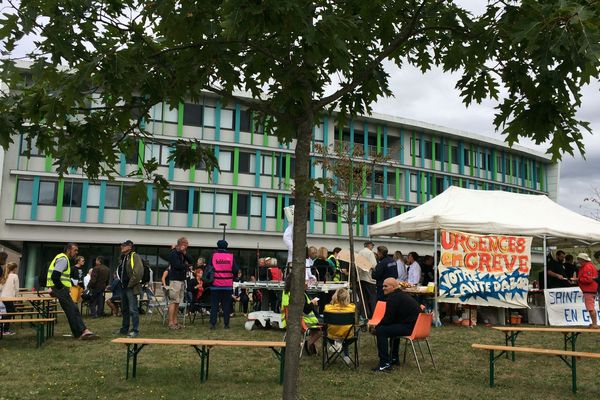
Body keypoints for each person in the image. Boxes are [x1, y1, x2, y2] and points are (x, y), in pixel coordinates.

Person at [46, 243, 98, 339]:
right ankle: (83, 331)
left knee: (71, 309)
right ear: (69, 250)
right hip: (60, 288)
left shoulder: (62, 258)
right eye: (75, 250)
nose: (76, 252)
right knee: (73, 309)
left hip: (58, 288)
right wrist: (60, 287)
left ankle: (78, 333)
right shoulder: (63, 259)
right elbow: (55, 276)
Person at [372, 278, 421, 372]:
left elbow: (388, 318)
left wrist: (377, 327)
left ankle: (384, 363)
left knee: (381, 331)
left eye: (386, 286)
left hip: (410, 328)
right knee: (391, 328)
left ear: (393, 287)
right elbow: (392, 319)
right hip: (417, 327)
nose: (383, 288)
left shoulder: (393, 298)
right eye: (383, 286)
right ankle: (394, 358)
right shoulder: (400, 295)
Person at [281, 273, 320, 355]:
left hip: (289, 321)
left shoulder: (286, 293)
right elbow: (306, 310)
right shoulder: (299, 294)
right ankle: (308, 344)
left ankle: (310, 347)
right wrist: (313, 303)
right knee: (320, 330)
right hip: (303, 322)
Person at [115, 240, 143, 337]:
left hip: (130, 287)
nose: (122, 247)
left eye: (124, 245)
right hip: (123, 287)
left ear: (130, 247)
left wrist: (130, 284)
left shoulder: (134, 256)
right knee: (125, 309)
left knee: (133, 309)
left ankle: (135, 330)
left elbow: (138, 272)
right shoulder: (123, 257)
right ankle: (124, 329)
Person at [209, 239, 239, 329]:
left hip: (215, 285)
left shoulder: (213, 256)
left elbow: (209, 268)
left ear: (217, 246)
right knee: (226, 306)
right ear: (226, 246)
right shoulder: (231, 256)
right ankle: (226, 324)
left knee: (214, 306)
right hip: (227, 285)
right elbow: (235, 270)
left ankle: (213, 324)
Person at [324, 287, 356, 366]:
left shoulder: (328, 308)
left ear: (335, 297)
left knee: (338, 329)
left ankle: (336, 345)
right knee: (346, 330)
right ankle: (346, 355)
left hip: (331, 337)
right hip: (348, 337)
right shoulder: (352, 308)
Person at [167, 237, 192, 330]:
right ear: (181, 244)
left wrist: (184, 254)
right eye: (186, 244)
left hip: (181, 280)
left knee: (178, 302)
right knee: (173, 301)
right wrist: (186, 266)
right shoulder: (174, 253)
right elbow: (177, 265)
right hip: (175, 280)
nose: (187, 246)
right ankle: (170, 322)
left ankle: (175, 321)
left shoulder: (182, 254)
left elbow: (191, 261)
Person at [574, 253, 599, 328]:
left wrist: (578, 279)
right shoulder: (589, 266)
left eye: (579, 259)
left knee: (590, 307)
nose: (578, 261)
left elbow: (588, 279)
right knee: (590, 307)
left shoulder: (587, 267)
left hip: (589, 289)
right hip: (591, 289)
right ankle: (594, 323)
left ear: (582, 260)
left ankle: (595, 324)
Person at [358, 241, 378, 319]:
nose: (372, 247)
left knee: (363, 299)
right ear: (369, 245)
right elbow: (374, 265)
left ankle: (365, 315)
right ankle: (374, 316)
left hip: (360, 278)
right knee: (372, 298)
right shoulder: (370, 253)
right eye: (372, 245)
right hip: (369, 279)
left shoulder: (359, 253)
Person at [0, 262, 20, 335]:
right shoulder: (15, 276)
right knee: (10, 312)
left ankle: (3, 329)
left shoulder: (4, 275)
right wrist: (17, 299)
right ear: (14, 268)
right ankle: (5, 330)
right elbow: (17, 289)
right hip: (9, 297)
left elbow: (0, 288)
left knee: (8, 312)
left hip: (3, 297)